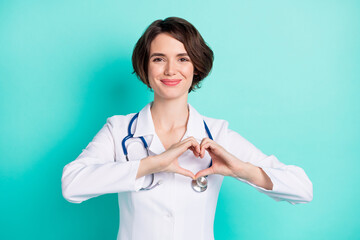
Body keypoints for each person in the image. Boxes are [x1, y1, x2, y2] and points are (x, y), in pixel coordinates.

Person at [61, 17, 313, 240]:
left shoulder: (217, 134)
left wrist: (241, 169)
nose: (171, 70)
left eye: (182, 59)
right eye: (159, 59)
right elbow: (72, 184)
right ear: (145, 67)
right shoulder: (119, 130)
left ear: (196, 67)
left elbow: (302, 189)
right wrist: (152, 164)